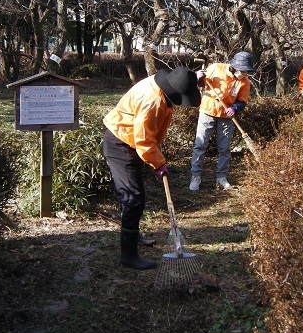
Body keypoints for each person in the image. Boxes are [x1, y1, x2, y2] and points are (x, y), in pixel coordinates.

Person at [103, 66, 202, 270]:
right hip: (120, 143)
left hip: (131, 141)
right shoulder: (153, 101)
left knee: (133, 194)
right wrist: (158, 164)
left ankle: (133, 233)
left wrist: (156, 160)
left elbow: (146, 137)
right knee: (133, 198)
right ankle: (128, 255)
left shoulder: (164, 88)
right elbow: (143, 141)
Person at [189, 51, 254, 191]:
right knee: (200, 145)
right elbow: (202, 85)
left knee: (224, 148)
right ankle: (195, 176)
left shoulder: (245, 82)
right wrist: (198, 78)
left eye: (246, 72)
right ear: (234, 67)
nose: (244, 74)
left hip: (226, 116)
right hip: (208, 110)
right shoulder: (216, 68)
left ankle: (221, 177)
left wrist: (235, 108)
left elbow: (242, 101)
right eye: (242, 71)